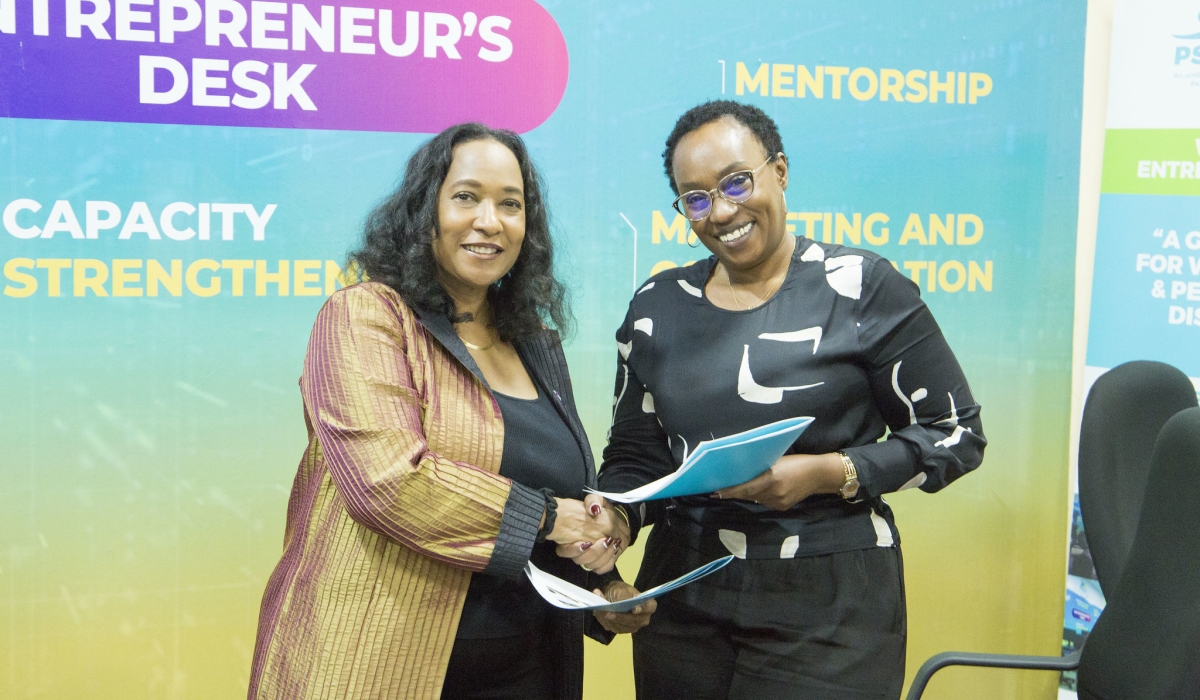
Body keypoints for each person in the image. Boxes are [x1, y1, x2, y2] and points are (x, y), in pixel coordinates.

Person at [591, 101, 987, 699]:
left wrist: (834, 472)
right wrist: (616, 523)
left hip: (831, 604)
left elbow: (956, 433)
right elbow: (637, 456)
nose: (720, 210)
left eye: (736, 182)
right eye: (694, 197)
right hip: (683, 599)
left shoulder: (861, 286)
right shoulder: (657, 305)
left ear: (779, 171)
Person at [248, 123, 650, 700]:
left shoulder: (534, 342)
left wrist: (602, 587)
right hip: (380, 669)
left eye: (510, 204)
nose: (490, 220)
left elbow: (556, 486)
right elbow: (390, 483)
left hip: (531, 666)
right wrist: (547, 518)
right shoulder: (366, 317)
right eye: (466, 196)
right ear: (425, 211)